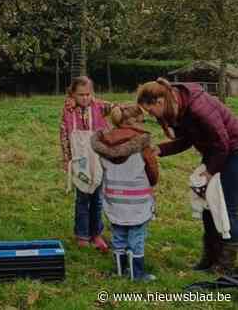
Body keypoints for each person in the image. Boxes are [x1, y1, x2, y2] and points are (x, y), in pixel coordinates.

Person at [137, 78, 238, 273]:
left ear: (159, 101)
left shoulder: (198, 107)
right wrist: (160, 149)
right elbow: (187, 140)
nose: (151, 115)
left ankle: (226, 265)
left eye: (150, 110)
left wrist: (209, 172)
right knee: (209, 205)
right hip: (216, 152)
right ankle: (210, 259)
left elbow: (223, 142)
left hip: (233, 151)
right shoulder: (178, 108)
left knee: (227, 207)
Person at [91, 104, 159, 281]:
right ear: (133, 121)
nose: (143, 124)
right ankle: (137, 273)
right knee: (136, 234)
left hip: (114, 196)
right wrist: (152, 182)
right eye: (142, 120)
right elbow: (152, 171)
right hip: (137, 197)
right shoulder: (142, 142)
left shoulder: (104, 142)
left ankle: (120, 270)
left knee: (118, 233)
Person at [60, 76, 111, 252]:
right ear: (72, 94)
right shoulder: (68, 111)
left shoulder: (99, 107)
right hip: (80, 161)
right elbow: (64, 134)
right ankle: (82, 234)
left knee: (97, 199)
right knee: (82, 199)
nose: (85, 98)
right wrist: (66, 158)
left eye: (88, 94)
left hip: (98, 159)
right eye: (80, 94)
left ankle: (96, 233)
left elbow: (118, 109)